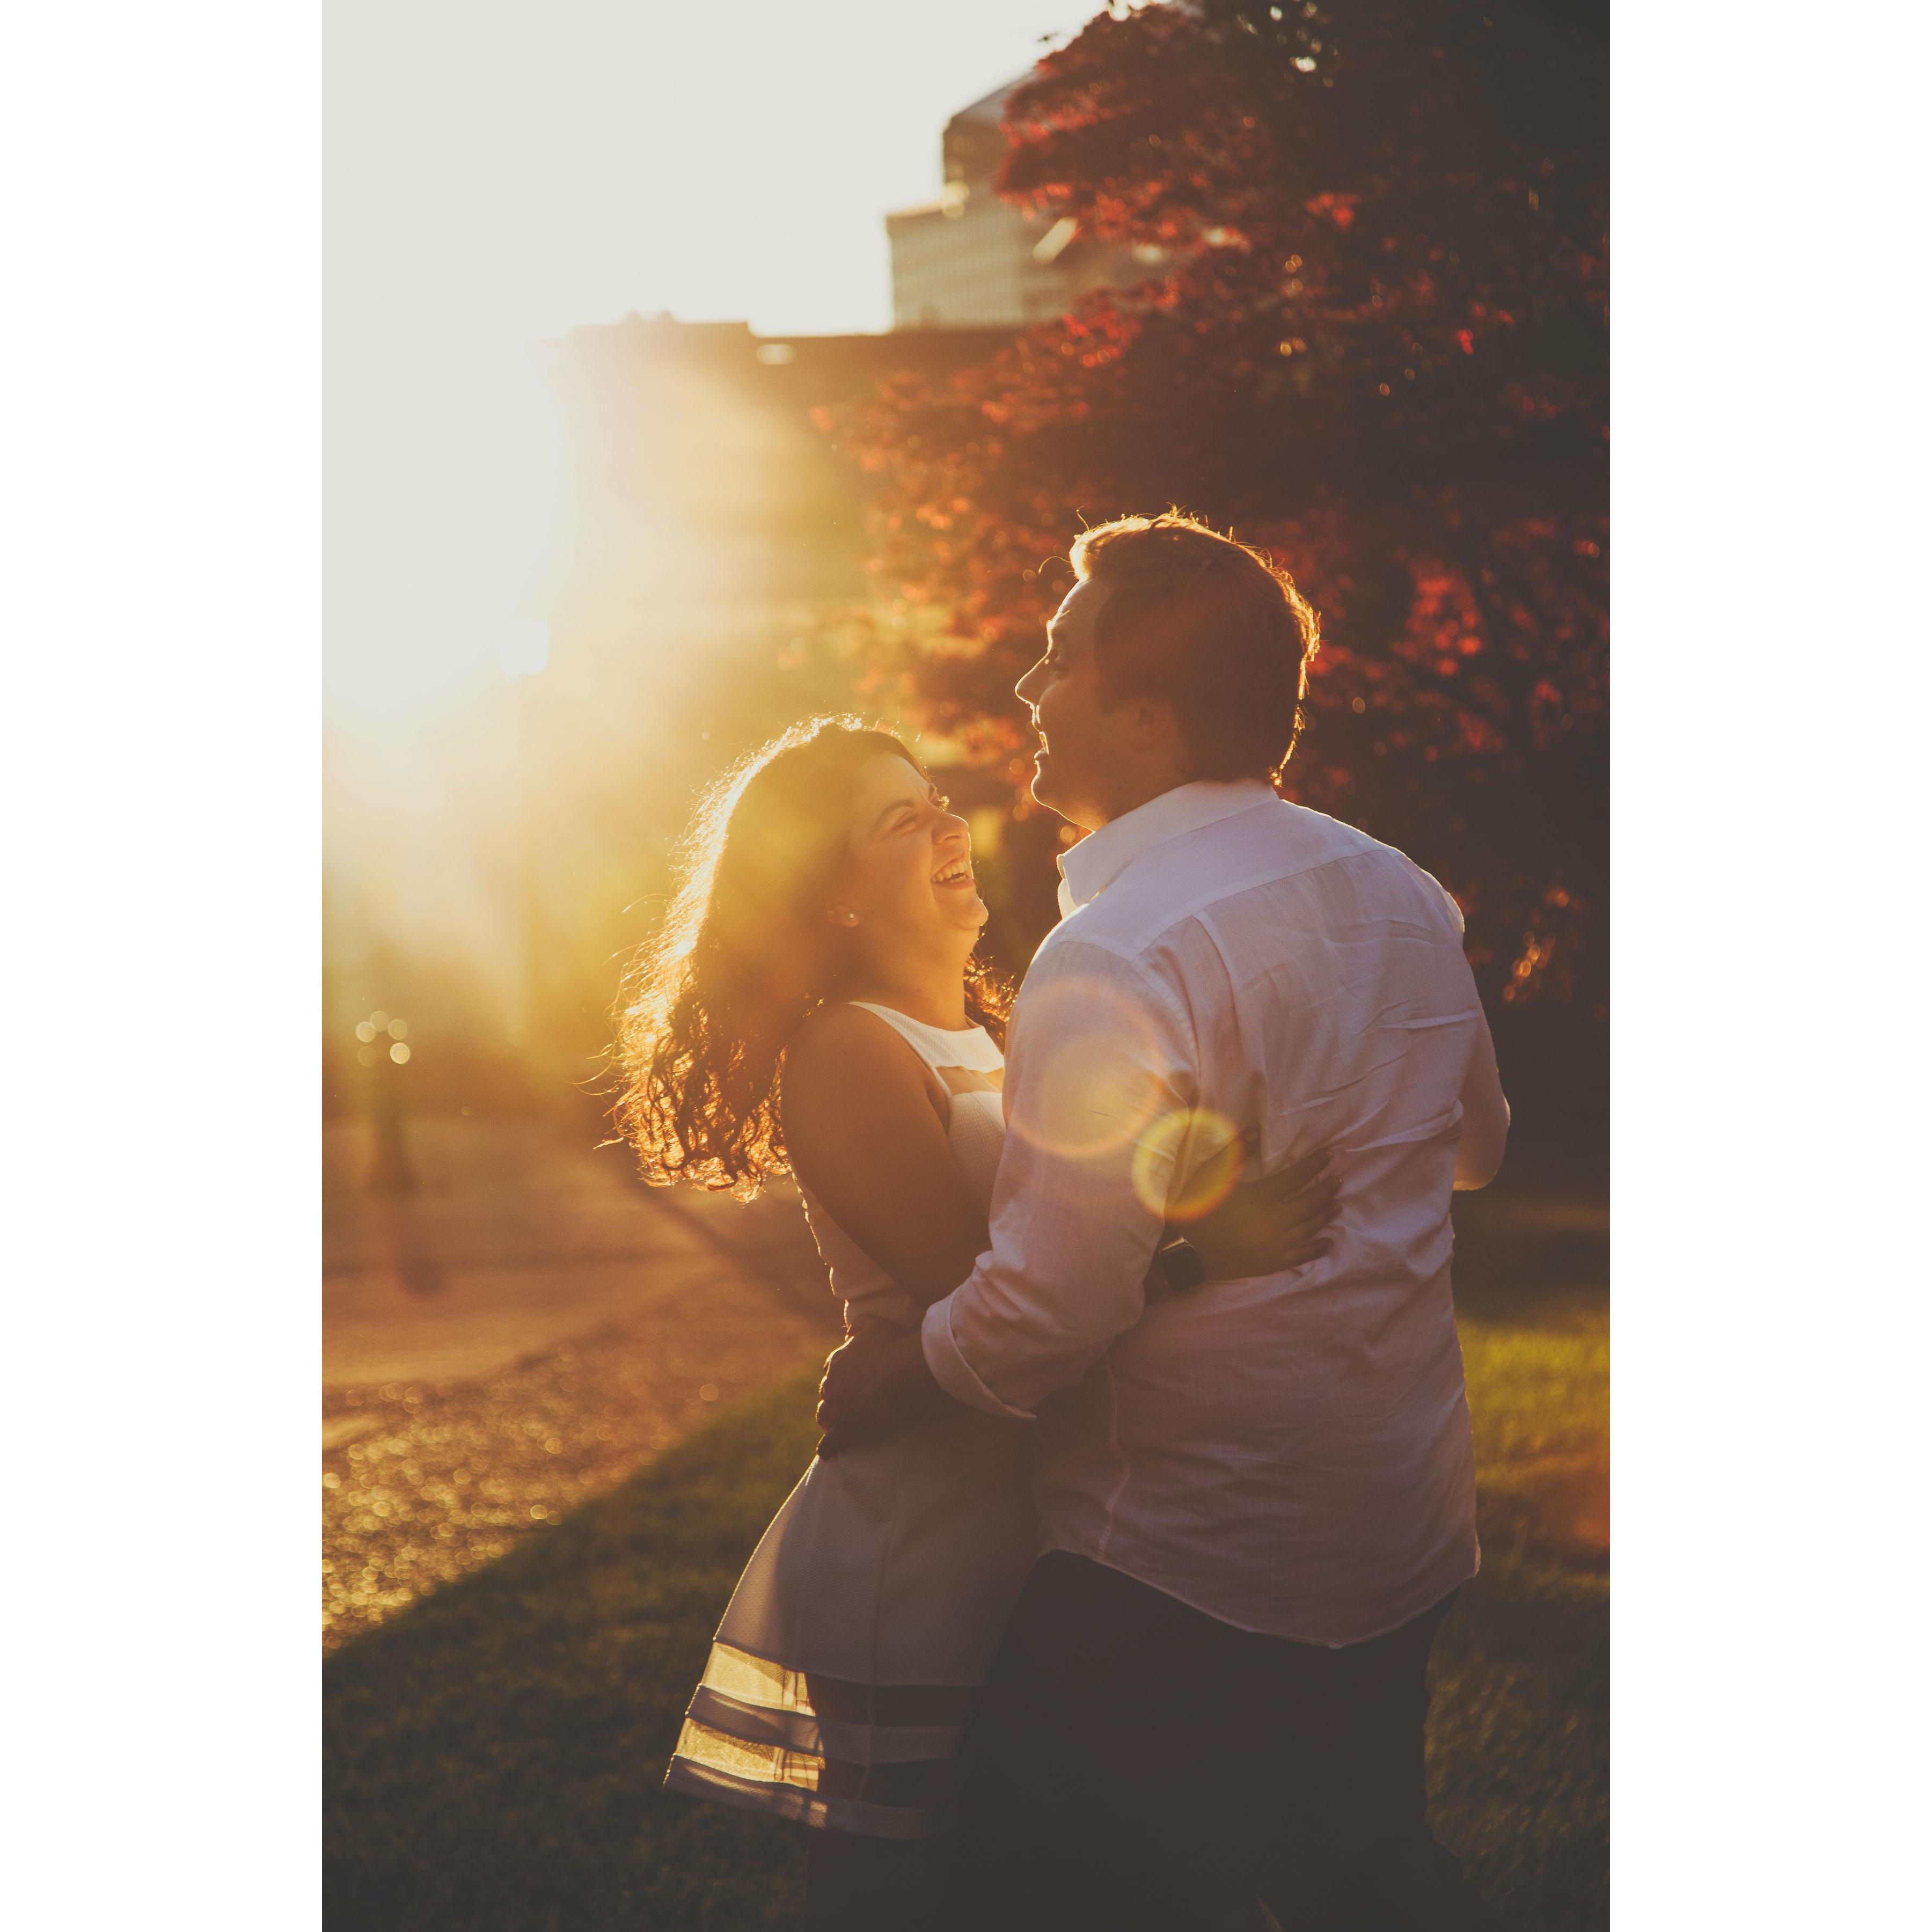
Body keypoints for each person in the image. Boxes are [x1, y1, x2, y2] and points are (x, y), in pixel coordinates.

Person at [817, 513, 1512, 1930]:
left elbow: (1044, 1317)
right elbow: (1479, 1153)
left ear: (1139, 716)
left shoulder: (1115, 951)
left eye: (1055, 660)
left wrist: (906, 1370)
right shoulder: (1401, 894)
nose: (1024, 690)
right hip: (1402, 1519)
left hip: (1185, 1557)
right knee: (1360, 1869)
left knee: (996, 1898)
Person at [613, 715, 1341, 1929]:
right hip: (928, 1538)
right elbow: (991, 1295)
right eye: (902, 822)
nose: (950, 826)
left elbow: (1085, 1236)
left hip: (1044, 1518)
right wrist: (1204, 1248)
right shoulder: (849, 1051)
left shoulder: (1002, 1035)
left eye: (936, 800)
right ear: (833, 897)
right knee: (894, 1892)